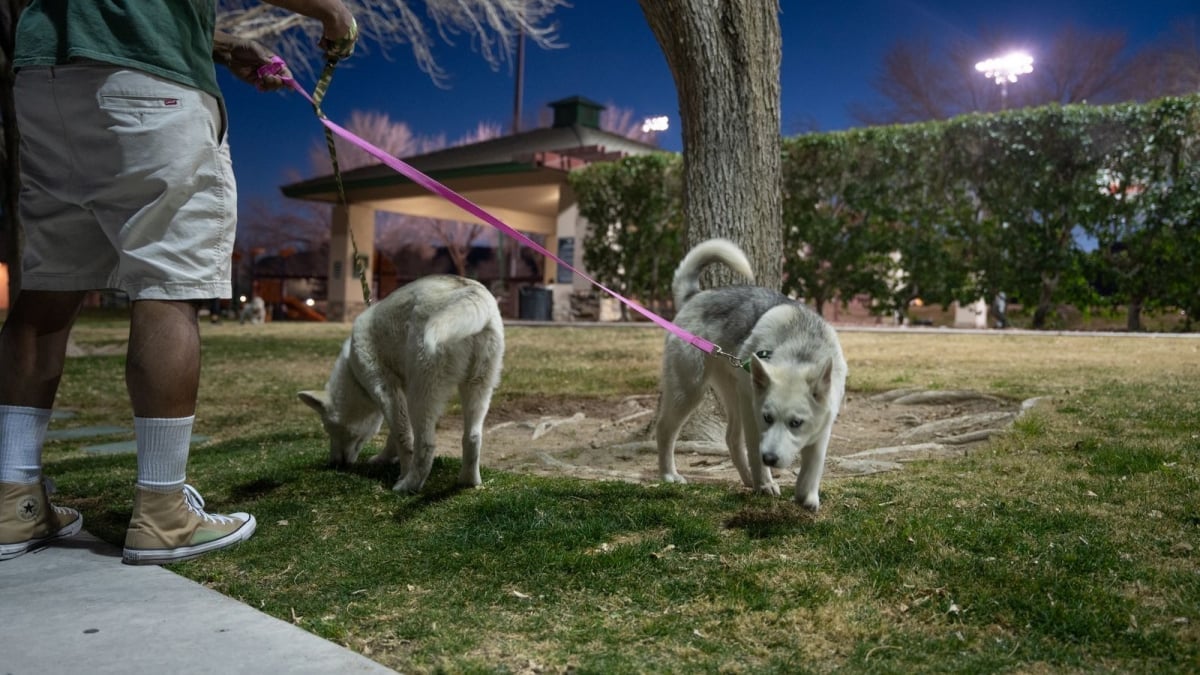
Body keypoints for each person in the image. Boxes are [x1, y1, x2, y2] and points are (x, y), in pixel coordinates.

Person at [0, 0, 355, 564]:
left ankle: (13, 500)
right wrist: (331, 13)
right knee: (168, 286)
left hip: (44, 81)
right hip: (149, 86)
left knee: (48, 287)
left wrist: (218, 43)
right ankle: (164, 511)